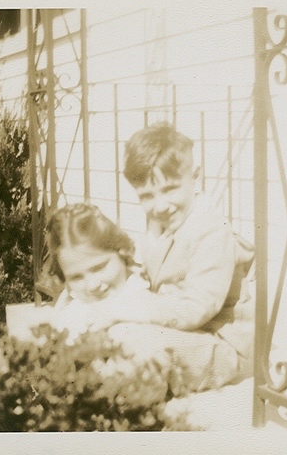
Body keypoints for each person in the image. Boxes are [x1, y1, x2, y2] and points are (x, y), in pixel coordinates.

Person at [84, 123, 256, 395]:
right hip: (189, 333)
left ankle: (131, 405)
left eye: (170, 189)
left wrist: (133, 310)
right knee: (112, 332)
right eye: (147, 196)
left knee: (140, 345)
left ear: (195, 176)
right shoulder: (162, 223)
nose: (160, 205)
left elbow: (197, 307)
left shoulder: (211, 230)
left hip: (223, 346)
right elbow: (150, 275)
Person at [43, 203, 148, 341]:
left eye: (99, 268)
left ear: (121, 251)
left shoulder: (141, 299)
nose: (92, 285)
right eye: (76, 277)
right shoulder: (74, 305)